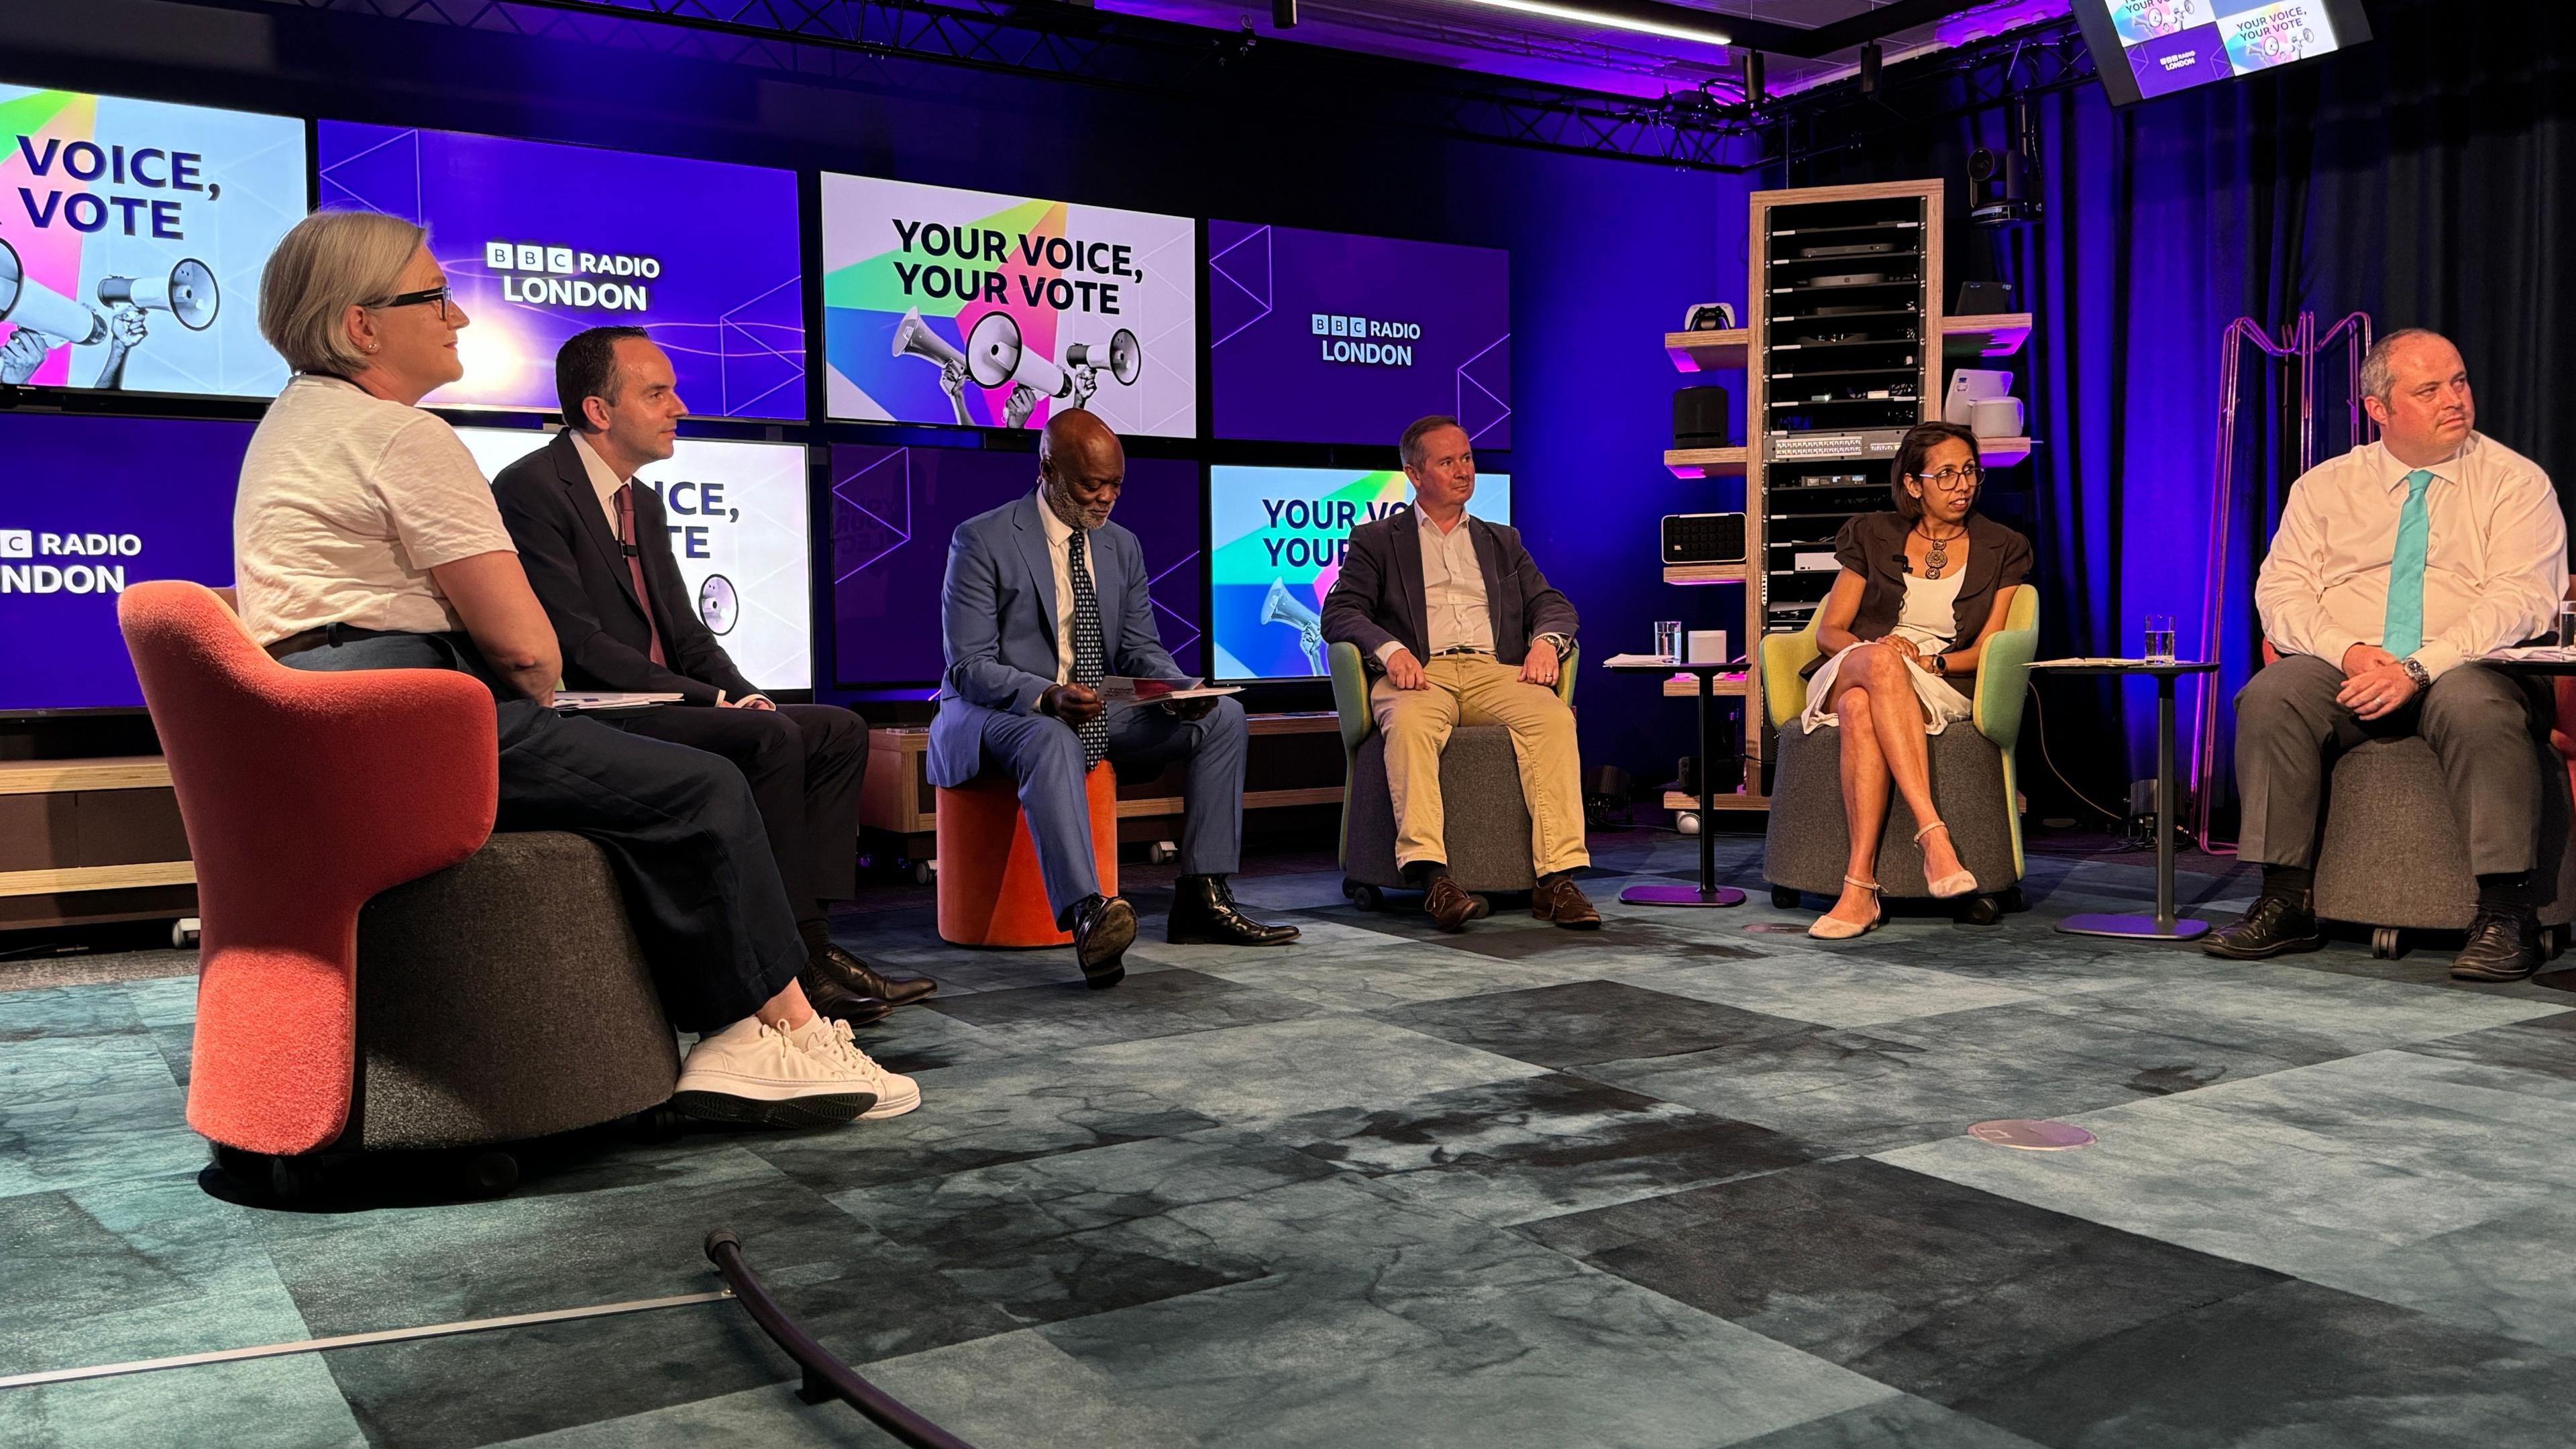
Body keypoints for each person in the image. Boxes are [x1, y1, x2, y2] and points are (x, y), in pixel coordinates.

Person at [231, 209, 915, 1126]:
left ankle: (777, 1012)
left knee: (692, 764)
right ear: (362, 325)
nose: (459, 318)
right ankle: (765, 1034)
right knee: (705, 786)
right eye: (434, 297)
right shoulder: (402, 437)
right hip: (416, 726)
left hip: (346, 725)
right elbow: (530, 650)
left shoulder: (295, 425)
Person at [490, 325, 932, 1024]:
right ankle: (792, 965)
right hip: (593, 711)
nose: (681, 406)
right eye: (658, 392)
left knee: (837, 730)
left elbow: (687, 632)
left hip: (667, 699)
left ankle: (814, 945)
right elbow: (579, 644)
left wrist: (744, 693)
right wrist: (720, 702)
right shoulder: (532, 489)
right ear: (599, 411)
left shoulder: (646, 500)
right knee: (769, 740)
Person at [2210, 328, 2567, 981]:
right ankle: (2284, 898)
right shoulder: (2324, 488)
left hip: (2471, 662)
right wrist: (2345, 652)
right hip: (2353, 664)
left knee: (2476, 706)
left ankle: (2505, 912)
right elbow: (2280, 592)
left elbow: (2524, 601)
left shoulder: (2516, 483)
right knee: (2272, 695)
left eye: (2458, 381)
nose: (2454, 399)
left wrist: (2421, 666)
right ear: (2378, 409)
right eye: (2429, 389)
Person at [930, 409, 1300, 987]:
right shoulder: (982, 538)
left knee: (1223, 717)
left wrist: (1179, 690)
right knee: (1049, 733)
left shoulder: (1121, 547)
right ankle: (1086, 915)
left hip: (1094, 710)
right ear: (1048, 468)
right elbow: (970, 665)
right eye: (1091, 485)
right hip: (999, 714)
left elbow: (1139, 648)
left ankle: (1202, 896)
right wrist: (1048, 694)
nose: (1106, 499)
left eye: (1116, 486)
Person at [1320, 414, 1599, 932]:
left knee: (1554, 719)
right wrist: (1390, 648)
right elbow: (1339, 613)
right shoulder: (1378, 539)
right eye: (1447, 462)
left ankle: (1557, 880)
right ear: (1414, 473)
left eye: (1467, 458)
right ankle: (1433, 877)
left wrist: (1546, 643)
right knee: (1408, 725)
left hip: (1494, 671)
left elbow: (1554, 605)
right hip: (1421, 673)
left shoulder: (1501, 541)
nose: (1463, 471)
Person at [1795, 421, 2033, 939]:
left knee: (1861, 709)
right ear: (1912, 484)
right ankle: (1934, 836)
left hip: (1935, 677)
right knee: (1876, 669)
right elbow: (1829, 633)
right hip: (1854, 663)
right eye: (1945, 474)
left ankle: (1858, 890)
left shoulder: (2003, 546)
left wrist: (1933, 664)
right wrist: (1878, 651)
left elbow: (1988, 647)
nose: (1962, 485)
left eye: (1970, 471)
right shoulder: (1872, 533)